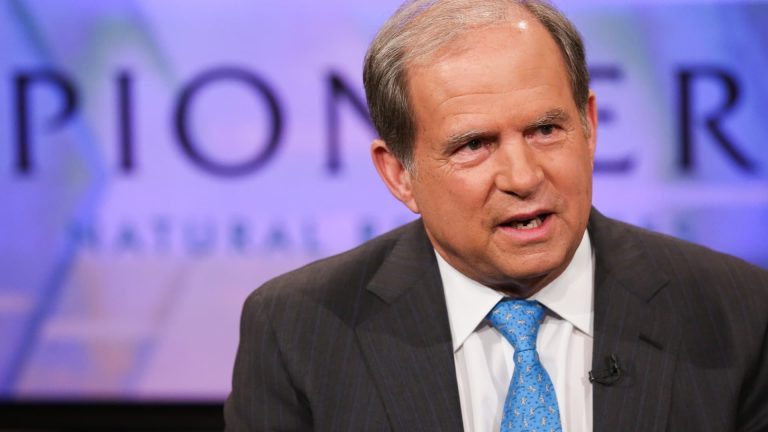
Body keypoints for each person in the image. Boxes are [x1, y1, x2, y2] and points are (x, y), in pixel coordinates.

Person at [224, 1, 768, 431]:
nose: (523, 176)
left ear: (589, 126)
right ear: (399, 174)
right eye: (474, 145)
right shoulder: (298, 330)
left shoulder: (739, 312)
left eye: (546, 129)